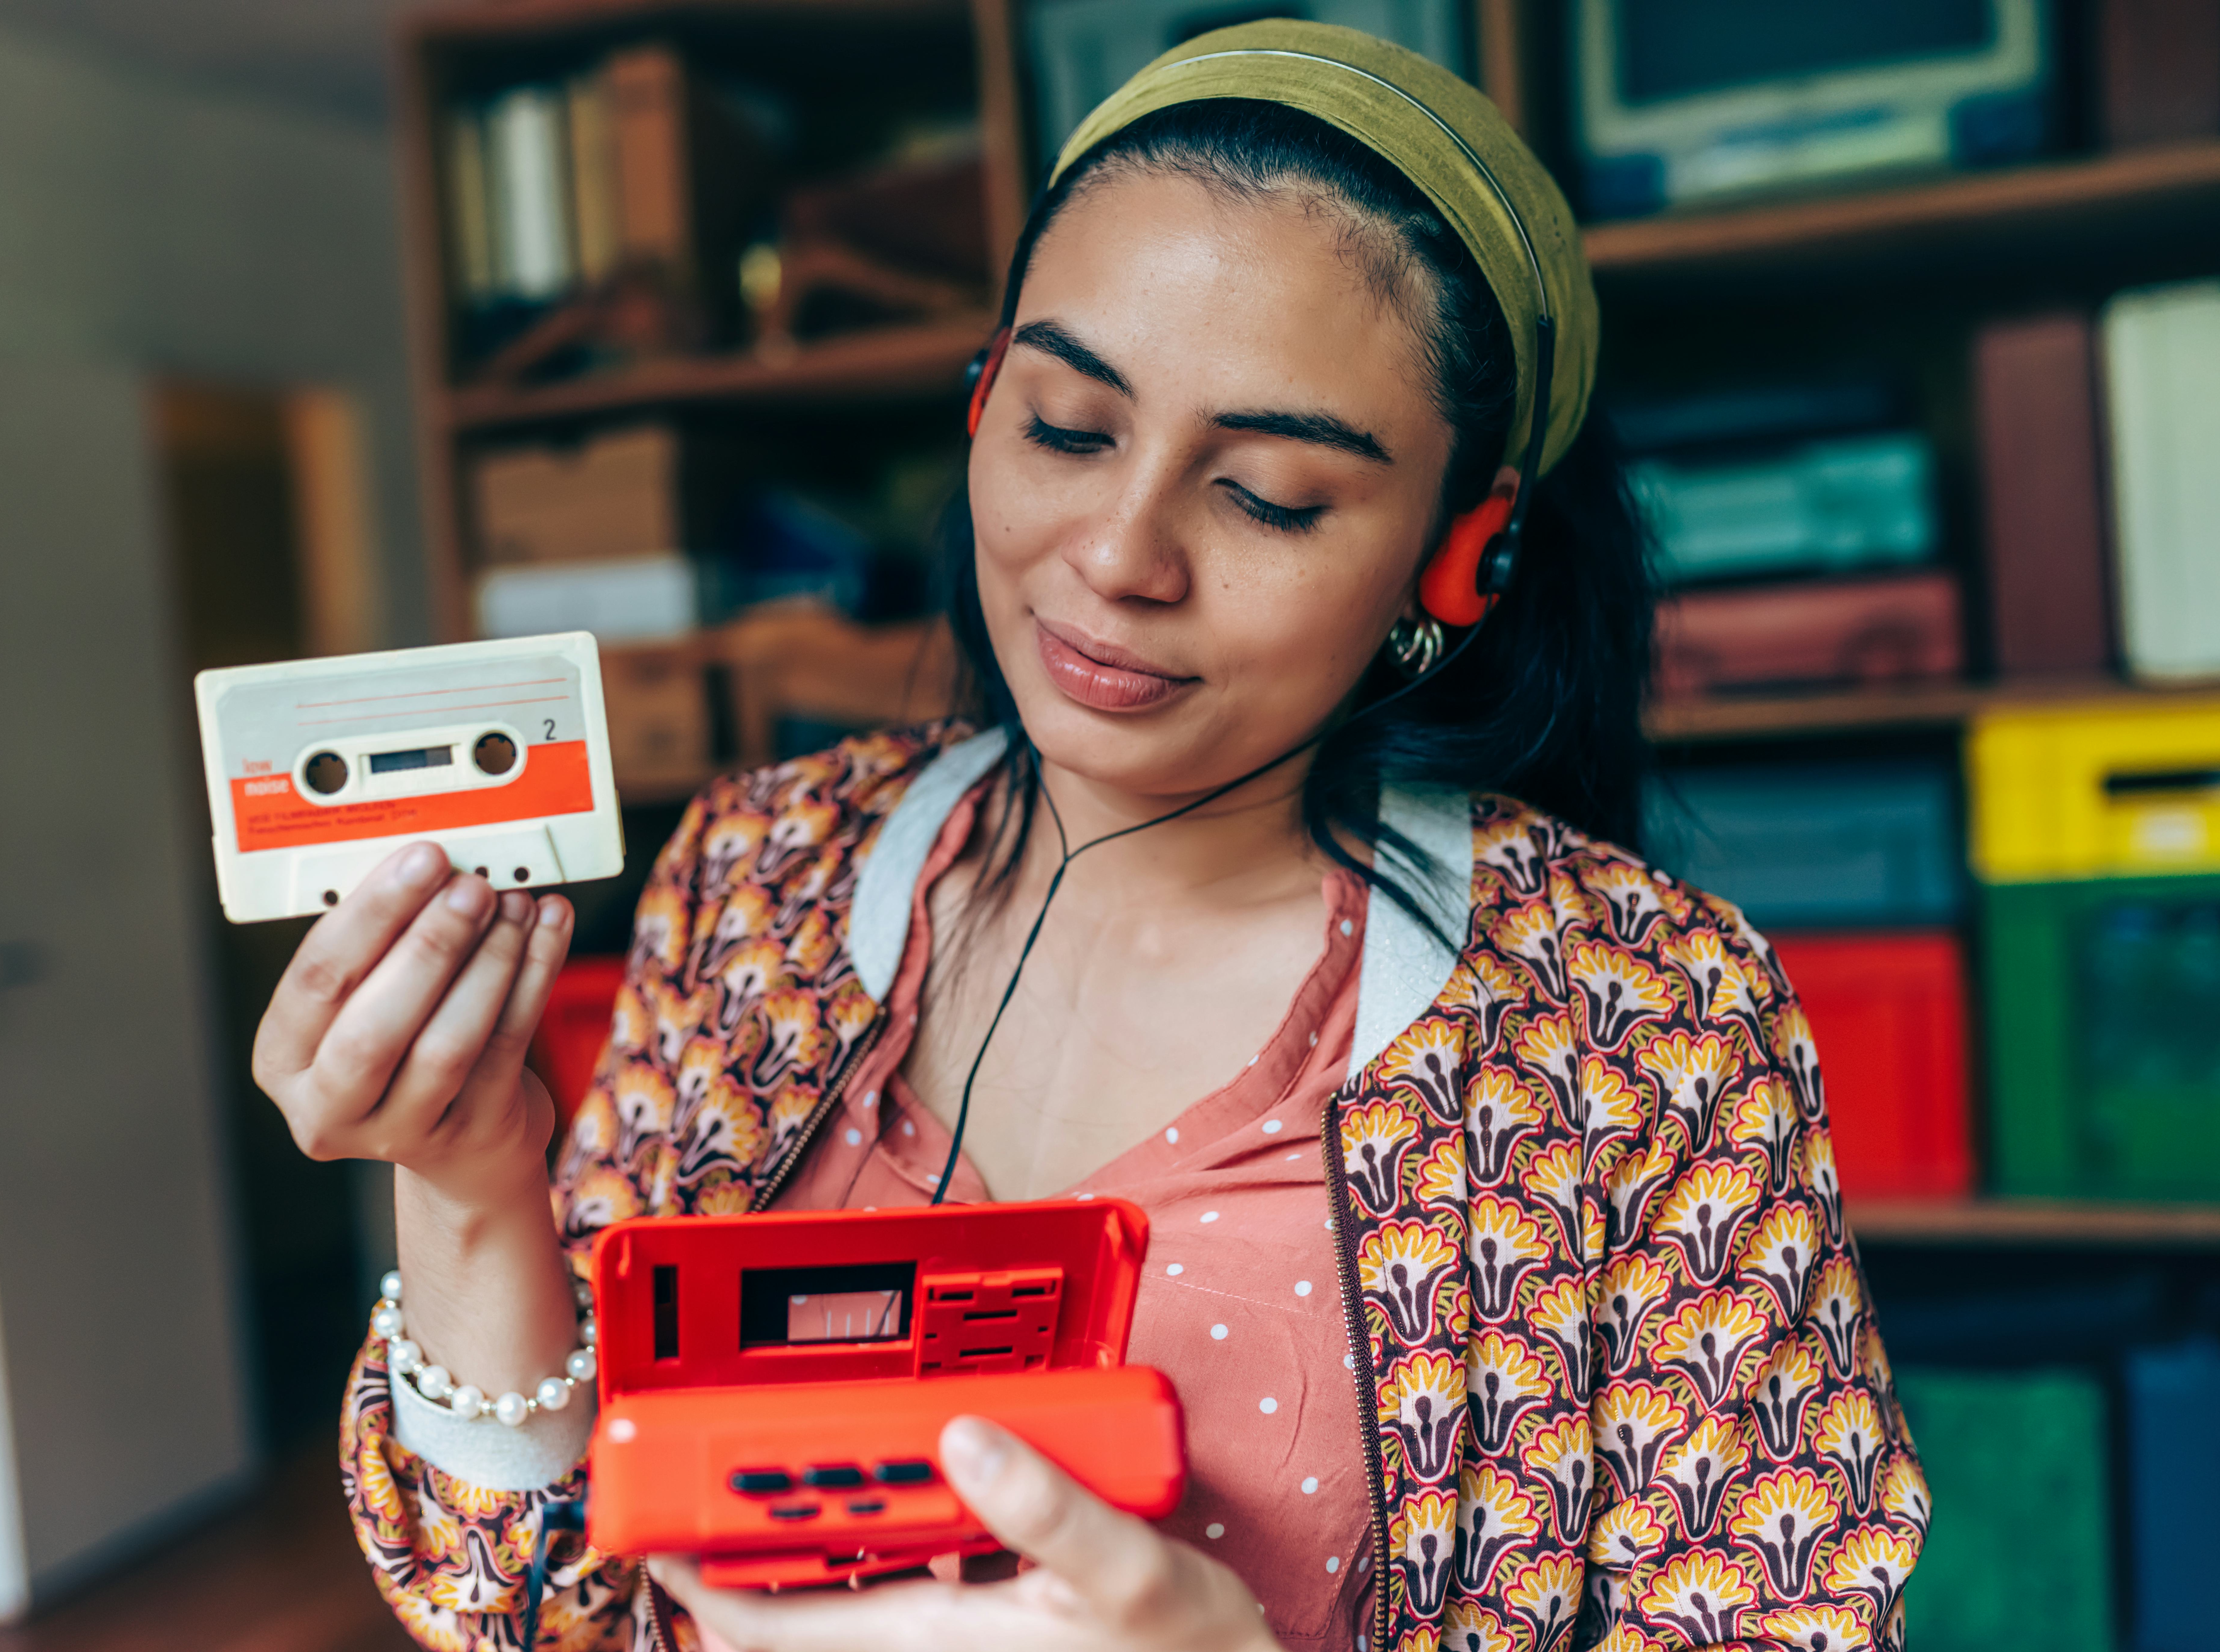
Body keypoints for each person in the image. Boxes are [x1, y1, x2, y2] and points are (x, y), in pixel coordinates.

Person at [256, 22, 1928, 1651]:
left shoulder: (1650, 1024)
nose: (1122, 556)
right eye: (1067, 426)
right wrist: (469, 1183)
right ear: (983, 399)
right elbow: (531, 1605)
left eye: (1270, 495)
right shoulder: (759, 873)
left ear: (1461, 556)